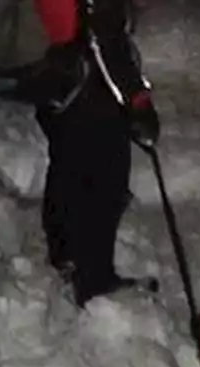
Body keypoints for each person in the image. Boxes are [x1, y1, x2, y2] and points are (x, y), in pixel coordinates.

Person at [30, 0, 161, 306]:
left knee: (66, 166)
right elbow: (105, 44)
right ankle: (94, 278)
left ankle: (64, 256)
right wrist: (138, 103)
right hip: (87, 90)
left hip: (52, 81)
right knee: (106, 185)